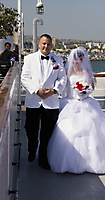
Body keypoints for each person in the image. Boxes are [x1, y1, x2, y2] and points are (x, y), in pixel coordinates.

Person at [47, 46, 105, 174]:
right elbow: (62, 84)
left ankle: (92, 162)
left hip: (86, 102)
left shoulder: (87, 71)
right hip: (71, 102)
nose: (78, 61)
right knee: (69, 131)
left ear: (83, 59)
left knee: (93, 131)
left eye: (80, 59)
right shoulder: (67, 70)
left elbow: (92, 87)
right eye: (76, 59)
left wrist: (85, 91)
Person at [21, 33, 67, 169]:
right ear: (39, 44)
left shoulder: (58, 60)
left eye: (48, 44)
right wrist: (37, 90)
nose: (46, 46)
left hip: (51, 101)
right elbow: (25, 77)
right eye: (43, 43)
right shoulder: (29, 59)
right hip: (33, 100)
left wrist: (54, 90)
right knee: (31, 129)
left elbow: (63, 78)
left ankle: (43, 158)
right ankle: (32, 149)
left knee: (47, 133)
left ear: (52, 46)